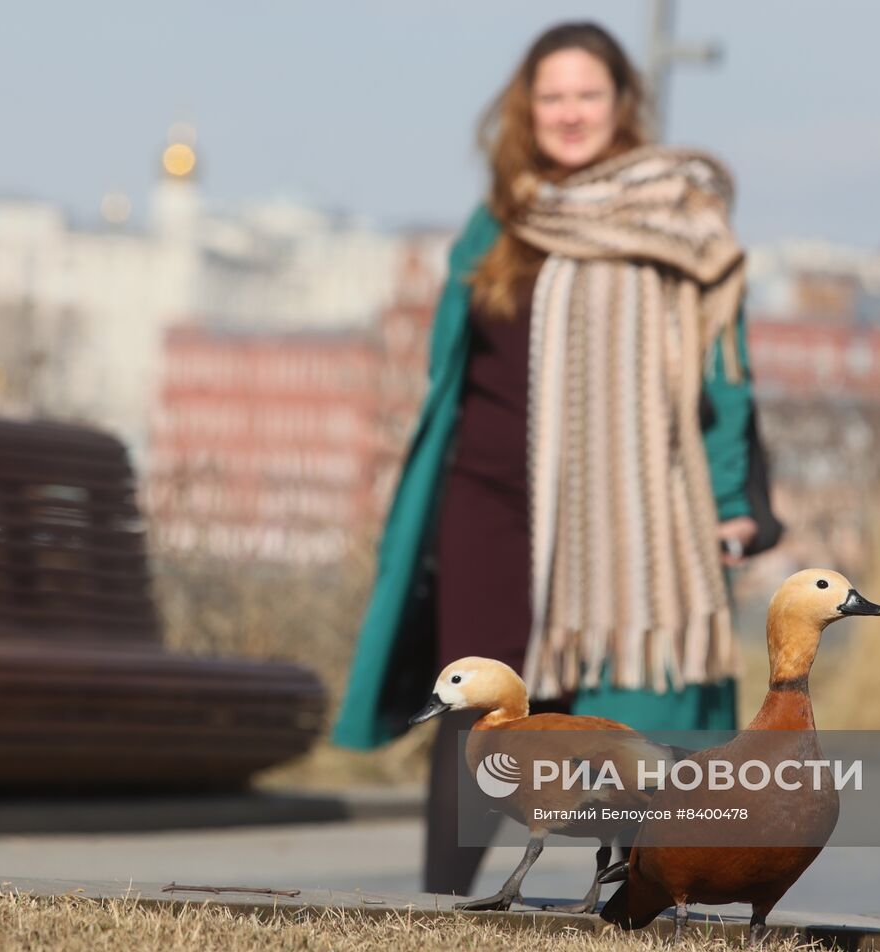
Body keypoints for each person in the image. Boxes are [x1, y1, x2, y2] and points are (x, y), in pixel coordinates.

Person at [332, 21, 776, 897]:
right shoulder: (499, 218)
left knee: (613, 708)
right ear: (524, 108)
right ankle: (441, 903)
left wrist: (731, 497)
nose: (569, 113)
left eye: (588, 95)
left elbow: (726, 371)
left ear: (622, 105)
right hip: (489, 499)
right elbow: (450, 360)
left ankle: (635, 895)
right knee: (477, 704)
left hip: (631, 507)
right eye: (552, 96)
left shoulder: (677, 214)